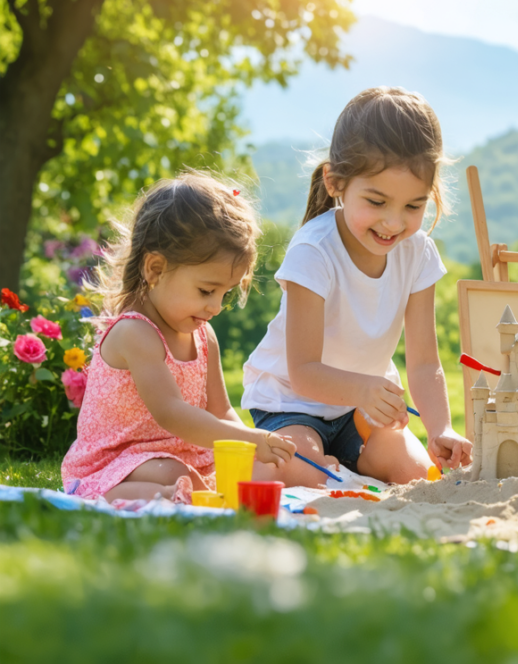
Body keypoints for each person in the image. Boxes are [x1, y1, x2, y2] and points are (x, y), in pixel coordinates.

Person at [241, 87, 472, 487]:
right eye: (377, 202)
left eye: (413, 206)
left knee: (417, 476)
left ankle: (343, 470)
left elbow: (423, 363)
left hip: (361, 412)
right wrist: (364, 390)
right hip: (292, 404)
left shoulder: (417, 254)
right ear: (335, 182)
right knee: (290, 469)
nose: (394, 223)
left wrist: (441, 429)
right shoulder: (314, 251)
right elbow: (304, 372)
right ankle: (333, 469)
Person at [62, 173, 296, 504]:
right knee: (174, 474)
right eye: (206, 290)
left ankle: (185, 495)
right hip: (117, 463)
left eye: (225, 293)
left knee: (257, 471)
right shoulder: (135, 333)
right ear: (155, 269)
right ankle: (155, 496)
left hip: (183, 459)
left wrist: (250, 444)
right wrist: (249, 439)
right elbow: (171, 412)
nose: (216, 307)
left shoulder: (203, 335)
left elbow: (221, 412)